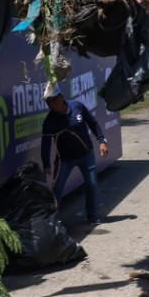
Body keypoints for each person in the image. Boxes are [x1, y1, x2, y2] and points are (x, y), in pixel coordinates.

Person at [40, 86, 109, 225]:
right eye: (48, 102)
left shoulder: (77, 106)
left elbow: (92, 123)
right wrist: (46, 164)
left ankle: (92, 217)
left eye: (53, 100)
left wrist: (102, 141)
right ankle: (52, 223)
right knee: (57, 189)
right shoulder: (49, 122)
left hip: (86, 154)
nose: (51, 104)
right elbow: (45, 144)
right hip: (64, 160)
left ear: (62, 97)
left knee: (92, 184)